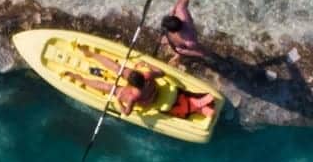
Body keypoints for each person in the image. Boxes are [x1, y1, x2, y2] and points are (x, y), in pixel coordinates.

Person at [63, 44, 216, 118]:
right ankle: (91, 55)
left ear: (131, 83)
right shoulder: (148, 76)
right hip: (152, 91)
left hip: (147, 99)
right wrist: (146, 64)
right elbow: (161, 72)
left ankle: (82, 76)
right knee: (120, 70)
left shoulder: (131, 97)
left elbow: (127, 113)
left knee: (110, 86)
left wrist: (118, 102)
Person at [160, 0, 206, 66]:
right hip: (181, 35)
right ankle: (176, 51)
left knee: (179, 48)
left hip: (183, 45)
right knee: (167, 41)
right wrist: (173, 9)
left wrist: (183, 52)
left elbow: (201, 53)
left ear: (173, 32)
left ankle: (179, 55)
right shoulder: (180, 10)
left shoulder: (189, 41)